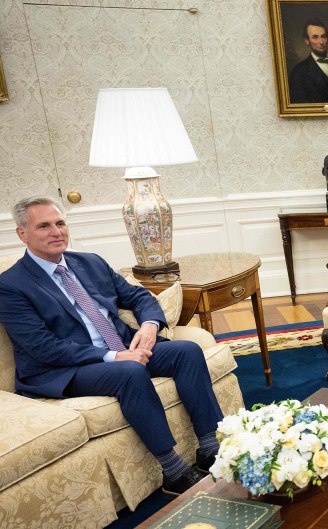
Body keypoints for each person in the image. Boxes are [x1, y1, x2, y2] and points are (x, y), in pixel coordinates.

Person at [0, 196, 223, 496]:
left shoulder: (89, 262)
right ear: (22, 234)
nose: (56, 231)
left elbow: (139, 297)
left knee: (187, 351)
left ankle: (211, 448)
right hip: (65, 369)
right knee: (130, 371)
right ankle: (172, 470)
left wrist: (149, 325)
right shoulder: (11, 285)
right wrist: (115, 355)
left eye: (60, 223)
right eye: (43, 226)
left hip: (121, 346)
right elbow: (43, 347)